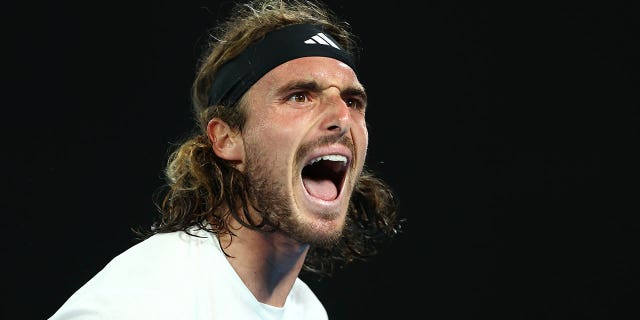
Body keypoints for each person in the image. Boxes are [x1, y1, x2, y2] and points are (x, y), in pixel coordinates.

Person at [49, 0, 402, 319]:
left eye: (353, 101)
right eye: (300, 96)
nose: (342, 119)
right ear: (227, 138)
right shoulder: (139, 304)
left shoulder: (307, 311)